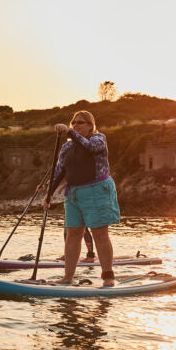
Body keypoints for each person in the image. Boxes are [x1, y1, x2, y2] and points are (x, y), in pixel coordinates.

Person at [43, 111, 119, 287]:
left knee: (99, 234)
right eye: (73, 123)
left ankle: (108, 276)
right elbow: (59, 171)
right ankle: (67, 277)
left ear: (91, 126)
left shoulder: (98, 139)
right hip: (74, 193)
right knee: (72, 235)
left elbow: (89, 147)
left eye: (81, 122)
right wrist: (48, 195)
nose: (76, 125)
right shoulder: (67, 147)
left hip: (97, 190)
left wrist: (70, 133)